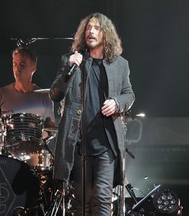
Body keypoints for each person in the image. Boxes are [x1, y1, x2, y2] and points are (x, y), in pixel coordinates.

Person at [49, 12, 135, 216]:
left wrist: (116, 103)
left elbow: (129, 95)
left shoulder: (120, 64)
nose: (91, 31)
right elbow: (55, 94)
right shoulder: (71, 61)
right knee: (81, 204)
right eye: (88, 27)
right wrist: (70, 67)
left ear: (106, 34)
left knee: (103, 201)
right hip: (78, 144)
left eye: (96, 28)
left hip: (106, 144)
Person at [0, 46, 56, 156]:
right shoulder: (1, 93)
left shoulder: (45, 96)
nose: (17, 69)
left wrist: (40, 136)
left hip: (34, 155)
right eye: (14, 64)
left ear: (33, 68)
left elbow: (51, 128)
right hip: (7, 155)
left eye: (22, 64)